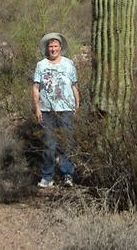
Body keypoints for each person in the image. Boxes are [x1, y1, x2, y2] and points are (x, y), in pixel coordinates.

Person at [32, 31, 80, 188]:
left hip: (66, 108)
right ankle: (47, 177)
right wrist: (37, 107)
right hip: (47, 109)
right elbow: (36, 87)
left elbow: (74, 85)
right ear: (47, 48)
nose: (53, 49)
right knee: (49, 143)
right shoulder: (41, 65)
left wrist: (77, 104)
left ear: (60, 47)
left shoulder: (69, 64)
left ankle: (68, 175)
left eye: (55, 46)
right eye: (50, 46)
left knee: (66, 142)